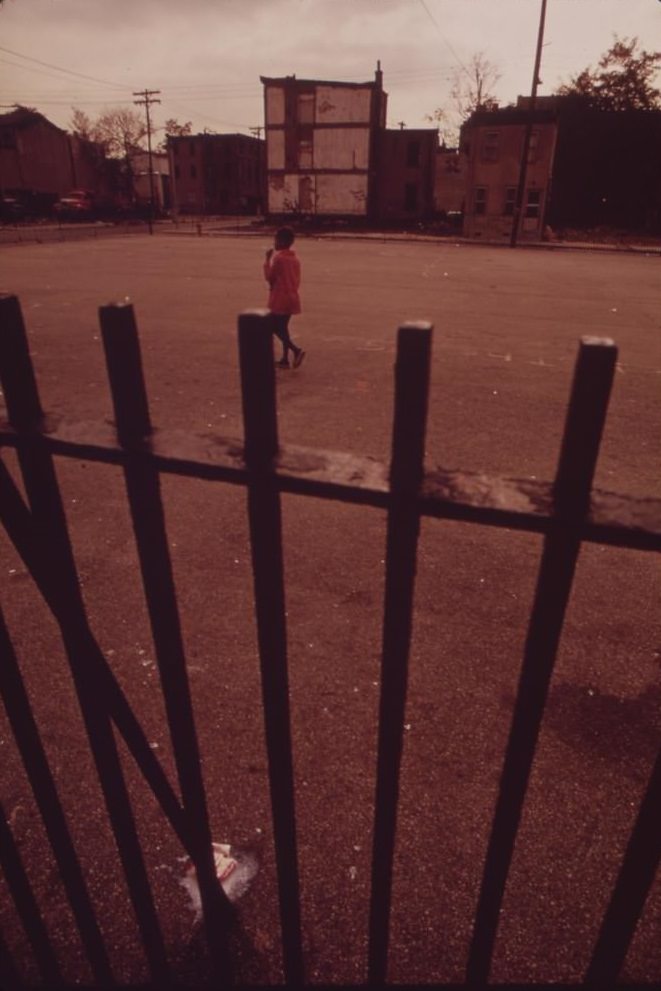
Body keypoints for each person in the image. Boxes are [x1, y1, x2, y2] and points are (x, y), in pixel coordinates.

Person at [263, 226, 305, 369]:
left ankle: (296, 350)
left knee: (274, 327)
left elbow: (269, 277)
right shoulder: (295, 260)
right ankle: (285, 359)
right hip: (292, 297)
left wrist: (267, 260)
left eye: (276, 239)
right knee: (283, 328)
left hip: (280, 299)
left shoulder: (279, 259)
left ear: (281, 241)